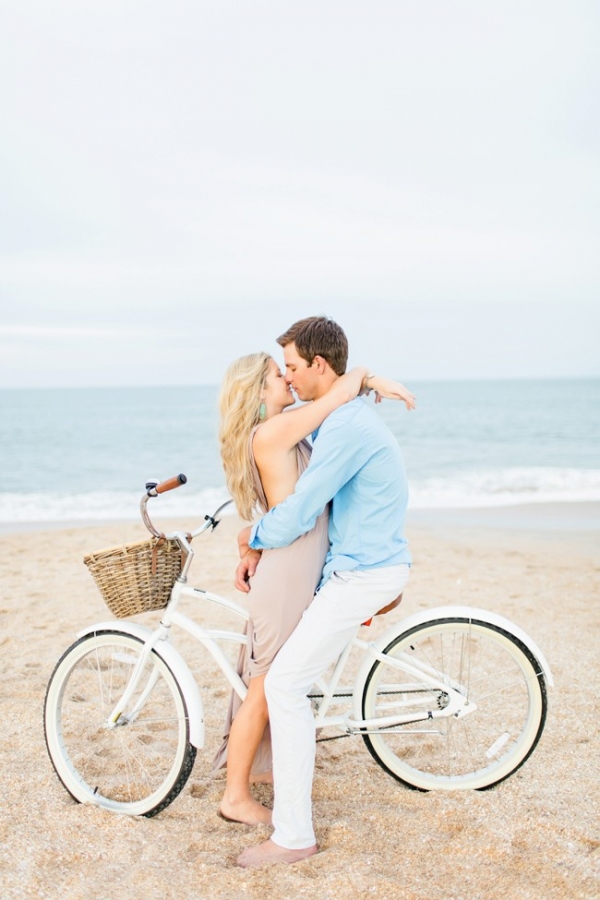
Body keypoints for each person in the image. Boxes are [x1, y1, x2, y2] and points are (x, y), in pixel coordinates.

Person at [234, 317, 413, 868]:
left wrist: (252, 536)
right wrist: (363, 377)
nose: (287, 377)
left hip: (362, 572)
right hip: (356, 566)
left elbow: (304, 507)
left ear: (318, 365)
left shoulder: (344, 428)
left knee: (284, 686)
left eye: (291, 366)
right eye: (279, 371)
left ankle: (293, 837)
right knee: (287, 681)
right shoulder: (340, 415)